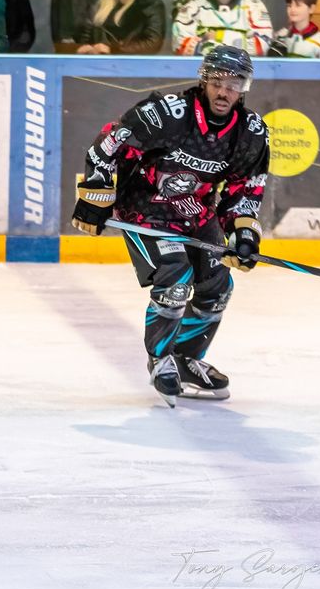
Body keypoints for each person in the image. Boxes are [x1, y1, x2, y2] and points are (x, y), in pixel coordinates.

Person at [70, 45, 270, 407]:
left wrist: (242, 233)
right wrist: (95, 197)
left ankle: (185, 358)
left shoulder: (250, 132)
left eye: (235, 82)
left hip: (196, 212)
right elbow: (107, 145)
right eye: (218, 81)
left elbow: (246, 186)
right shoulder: (166, 114)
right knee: (175, 279)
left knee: (218, 287)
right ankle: (160, 358)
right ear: (204, 80)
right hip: (145, 211)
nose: (225, 91)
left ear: (244, 87)